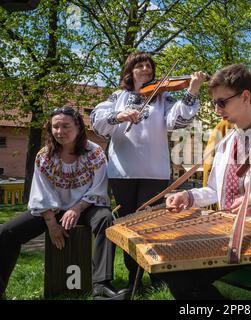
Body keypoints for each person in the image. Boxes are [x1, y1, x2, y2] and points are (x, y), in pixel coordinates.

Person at [158, 63, 251, 299]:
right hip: (226, 231)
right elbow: (215, 190)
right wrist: (189, 196)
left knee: (182, 276)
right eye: (214, 103)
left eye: (221, 102)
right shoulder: (225, 143)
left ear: (245, 96)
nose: (216, 110)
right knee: (172, 264)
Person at [90, 51, 207, 291]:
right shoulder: (118, 97)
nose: (146, 69)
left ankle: (154, 276)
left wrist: (193, 90)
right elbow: (97, 121)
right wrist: (118, 115)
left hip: (155, 171)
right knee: (126, 226)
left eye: (149, 66)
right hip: (122, 172)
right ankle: (134, 280)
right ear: (130, 71)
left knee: (150, 227)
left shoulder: (162, 98)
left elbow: (179, 122)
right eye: (140, 66)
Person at [0, 107, 126, 300]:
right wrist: (51, 223)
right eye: (55, 127)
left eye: (65, 126)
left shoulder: (95, 153)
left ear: (78, 127)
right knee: (6, 233)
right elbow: (41, 192)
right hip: (52, 209)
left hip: (86, 206)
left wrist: (77, 208)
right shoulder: (44, 156)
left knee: (105, 219)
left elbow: (99, 187)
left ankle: (101, 285)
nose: (60, 131)